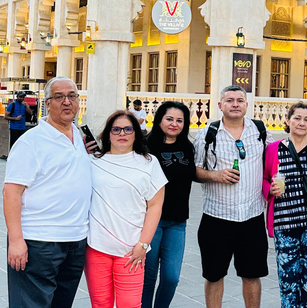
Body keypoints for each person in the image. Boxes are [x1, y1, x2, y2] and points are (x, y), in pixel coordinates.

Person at [3, 77, 95, 307]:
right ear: (47, 103)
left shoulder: (78, 138)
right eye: (59, 97)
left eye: (72, 96)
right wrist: (16, 241)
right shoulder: (30, 142)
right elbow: (11, 193)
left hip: (75, 241)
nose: (67, 102)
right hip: (38, 241)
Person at [194, 85, 272, 308]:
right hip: (216, 216)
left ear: (247, 105)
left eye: (240, 100)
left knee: (252, 274)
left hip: (252, 216)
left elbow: (271, 164)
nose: (235, 104)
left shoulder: (260, 131)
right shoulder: (207, 135)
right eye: (229, 100)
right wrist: (215, 175)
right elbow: (196, 171)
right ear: (220, 105)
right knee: (214, 275)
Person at [86, 110, 166, 308]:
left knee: (129, 304)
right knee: (100, 304)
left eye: (128, 129)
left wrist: (144, 245)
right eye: (116, 129)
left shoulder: (149, 163)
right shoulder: (92, 161)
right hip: (96, 247)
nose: (122, 133)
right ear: (108, 133)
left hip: (131, 250)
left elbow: (155, 206)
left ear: (136, 134)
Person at [263, 102, 307, 308]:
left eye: (306, 119)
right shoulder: (273, 149)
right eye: (297, 118)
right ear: (288, 120)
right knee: (287, 280)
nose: (302, 123)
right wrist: (270, 189)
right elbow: (264, 178)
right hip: (284, 225)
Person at [142, 102, 196, 308]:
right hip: (151, 221)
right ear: (159, 120)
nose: (174, 124)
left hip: (177, 221)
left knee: (171, 277)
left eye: (179, 120)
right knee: (148, 277)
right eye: (169, 119)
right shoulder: (145, 146)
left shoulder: (187, 147)